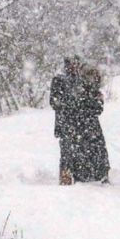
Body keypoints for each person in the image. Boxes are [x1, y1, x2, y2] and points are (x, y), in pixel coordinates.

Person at [68, 64, 109, 183]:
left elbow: (97, 109)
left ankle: (97, 173)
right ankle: (85, 174)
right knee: (85, 149)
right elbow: (81, 107)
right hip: (83, 124)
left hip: (90, 124)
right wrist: (94, 102)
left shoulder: (92, 91)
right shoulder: (81, 90)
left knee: (95, 149)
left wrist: (96, 102)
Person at [49, 56, 81, 184]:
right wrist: (70, 104)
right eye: (73, 64)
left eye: (77, 64)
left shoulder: (80, 79)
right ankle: (65, 176)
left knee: (79, 151)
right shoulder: (59, 79)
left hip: (80, 122)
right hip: (65, 121)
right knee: (67, 151)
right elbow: (54, 101)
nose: (75, 66)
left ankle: (79, 175)